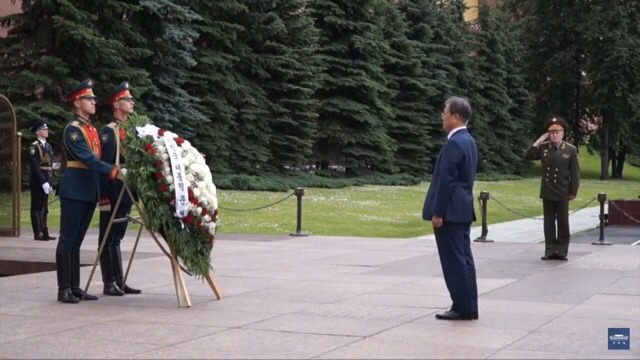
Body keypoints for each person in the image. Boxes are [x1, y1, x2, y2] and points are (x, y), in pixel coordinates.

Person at [56, 79, 125, 304]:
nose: (94, 102)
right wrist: (113, 171)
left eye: (94, 98)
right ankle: (64, 288)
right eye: (89, 98)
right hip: (75, 188)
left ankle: (74, 287)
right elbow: (86, 158)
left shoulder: (92, 129)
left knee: (77, 241)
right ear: (77, 102)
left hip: (88, 189)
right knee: (68, 239)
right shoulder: (73, 130)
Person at [422, 96, 478, 321]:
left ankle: (461, 307)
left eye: (444, 113)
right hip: (462, 209)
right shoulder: (469, 140)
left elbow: (446, 182)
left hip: (450, 213)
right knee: (464, 259)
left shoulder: (455, 143)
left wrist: (438, 212)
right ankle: (469, 305)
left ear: (455, 117)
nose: (442, 117)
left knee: (454, 261)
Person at [98, 81, 141, 296]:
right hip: (113, 188)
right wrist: (104, 196)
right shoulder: (109, 131)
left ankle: (119, 281)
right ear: (117, 104)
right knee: (108, 236)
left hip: (127, 188)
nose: (132, 102)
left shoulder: (130, 130)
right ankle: (109, 282)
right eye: (128, 99)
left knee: (118, 236)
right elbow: (104, 165)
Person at [524, 117, 580, 261]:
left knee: (562, 223)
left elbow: (575, 173)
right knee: (548, 223)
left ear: (562, 134)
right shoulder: (543, 148)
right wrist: (538, 141)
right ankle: (549, 250)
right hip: (548, 189)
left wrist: (573, 191)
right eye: (551, 133)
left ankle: (561, 251)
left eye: (557, 132)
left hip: (562, 190)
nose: (554, 135)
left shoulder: (570, 149)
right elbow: (528, 156)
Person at [28, 117, 56, 241]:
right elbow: (35, 166)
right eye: (44, 129)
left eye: (47, 129)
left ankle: (45, 231)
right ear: (38, 132)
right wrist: (43, 182)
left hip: (47, 178)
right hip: (37, 180)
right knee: (36, 206)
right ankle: (37, 232)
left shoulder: (48, 146)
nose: (46, 131)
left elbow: (49, 165)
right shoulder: (34, 146)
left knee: (45, 207)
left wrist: (49, 182)